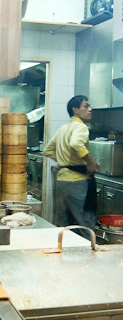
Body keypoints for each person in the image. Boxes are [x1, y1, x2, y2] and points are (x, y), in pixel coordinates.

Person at [43, 95, 98, 232]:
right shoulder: (81, 127)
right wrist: (91, 162)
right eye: (86, 106)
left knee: (64, 222)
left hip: (62, 179)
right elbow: (76, 144)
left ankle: (65, 250)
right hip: (77, 181)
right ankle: (89, 251)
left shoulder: (64, 128)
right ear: (75, 110)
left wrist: (64, 161)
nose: (90, 109)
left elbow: (48, 150)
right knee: (85, 222)